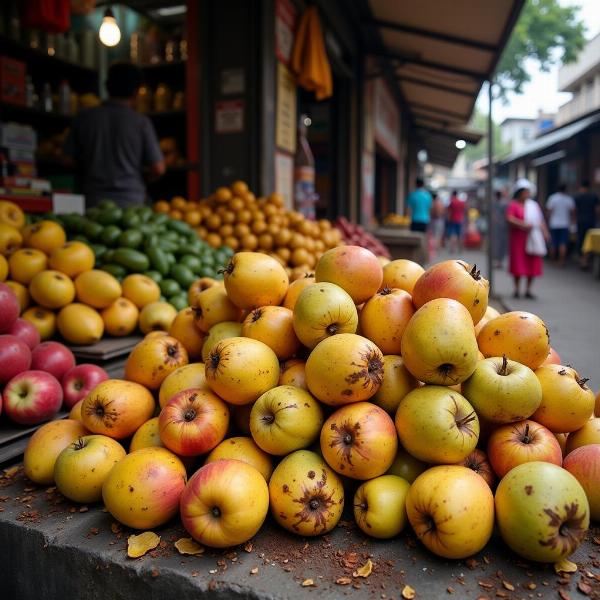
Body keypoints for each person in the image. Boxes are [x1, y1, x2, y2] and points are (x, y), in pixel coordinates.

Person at [65, 61, 165, 207]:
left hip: (93, 201)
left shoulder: (84, 118)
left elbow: (66, 159)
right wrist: (145, 177)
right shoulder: (141, 123)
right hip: (132, 204)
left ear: (107, 86)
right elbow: (159, 168)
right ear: (136, 92)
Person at [506, 182, 549, 299]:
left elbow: (540, 220)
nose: (526, 194)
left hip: (533, 238)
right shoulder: (514, 205)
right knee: (518, 263)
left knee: (532, 263)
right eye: (524, 192)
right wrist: (522, 224)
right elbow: (509, 218)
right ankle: (517, 289)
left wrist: (545, 233)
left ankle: (528, 290)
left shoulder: (533, 205)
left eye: (528, 192)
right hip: (518, 238)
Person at [545, 183, 575, 267]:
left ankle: (552, 260)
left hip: (554, 223)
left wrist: (547, 221)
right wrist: (573, 223)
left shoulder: (553, 198)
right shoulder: (569, 199)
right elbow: (573, 212)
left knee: (553, 242)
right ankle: (561, 261)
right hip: (565, 224)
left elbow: (549, 211)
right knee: (563, 243)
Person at [573, 180, 600, 268]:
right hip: (591, 221)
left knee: (581, 239)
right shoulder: (594, 197)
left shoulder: (577, 197)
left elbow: (574, 210)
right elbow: (597, 210)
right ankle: (586, 259)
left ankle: (582, 260)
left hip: (580, 221)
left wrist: (573, 221)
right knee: (589, 241)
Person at [491, 189, 509, 268]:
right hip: (502, 226)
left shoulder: (495, 203)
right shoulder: (504, 203)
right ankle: (499, 261)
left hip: (498, 226)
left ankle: (498, 261)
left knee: (498, 243)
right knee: (501, 244)